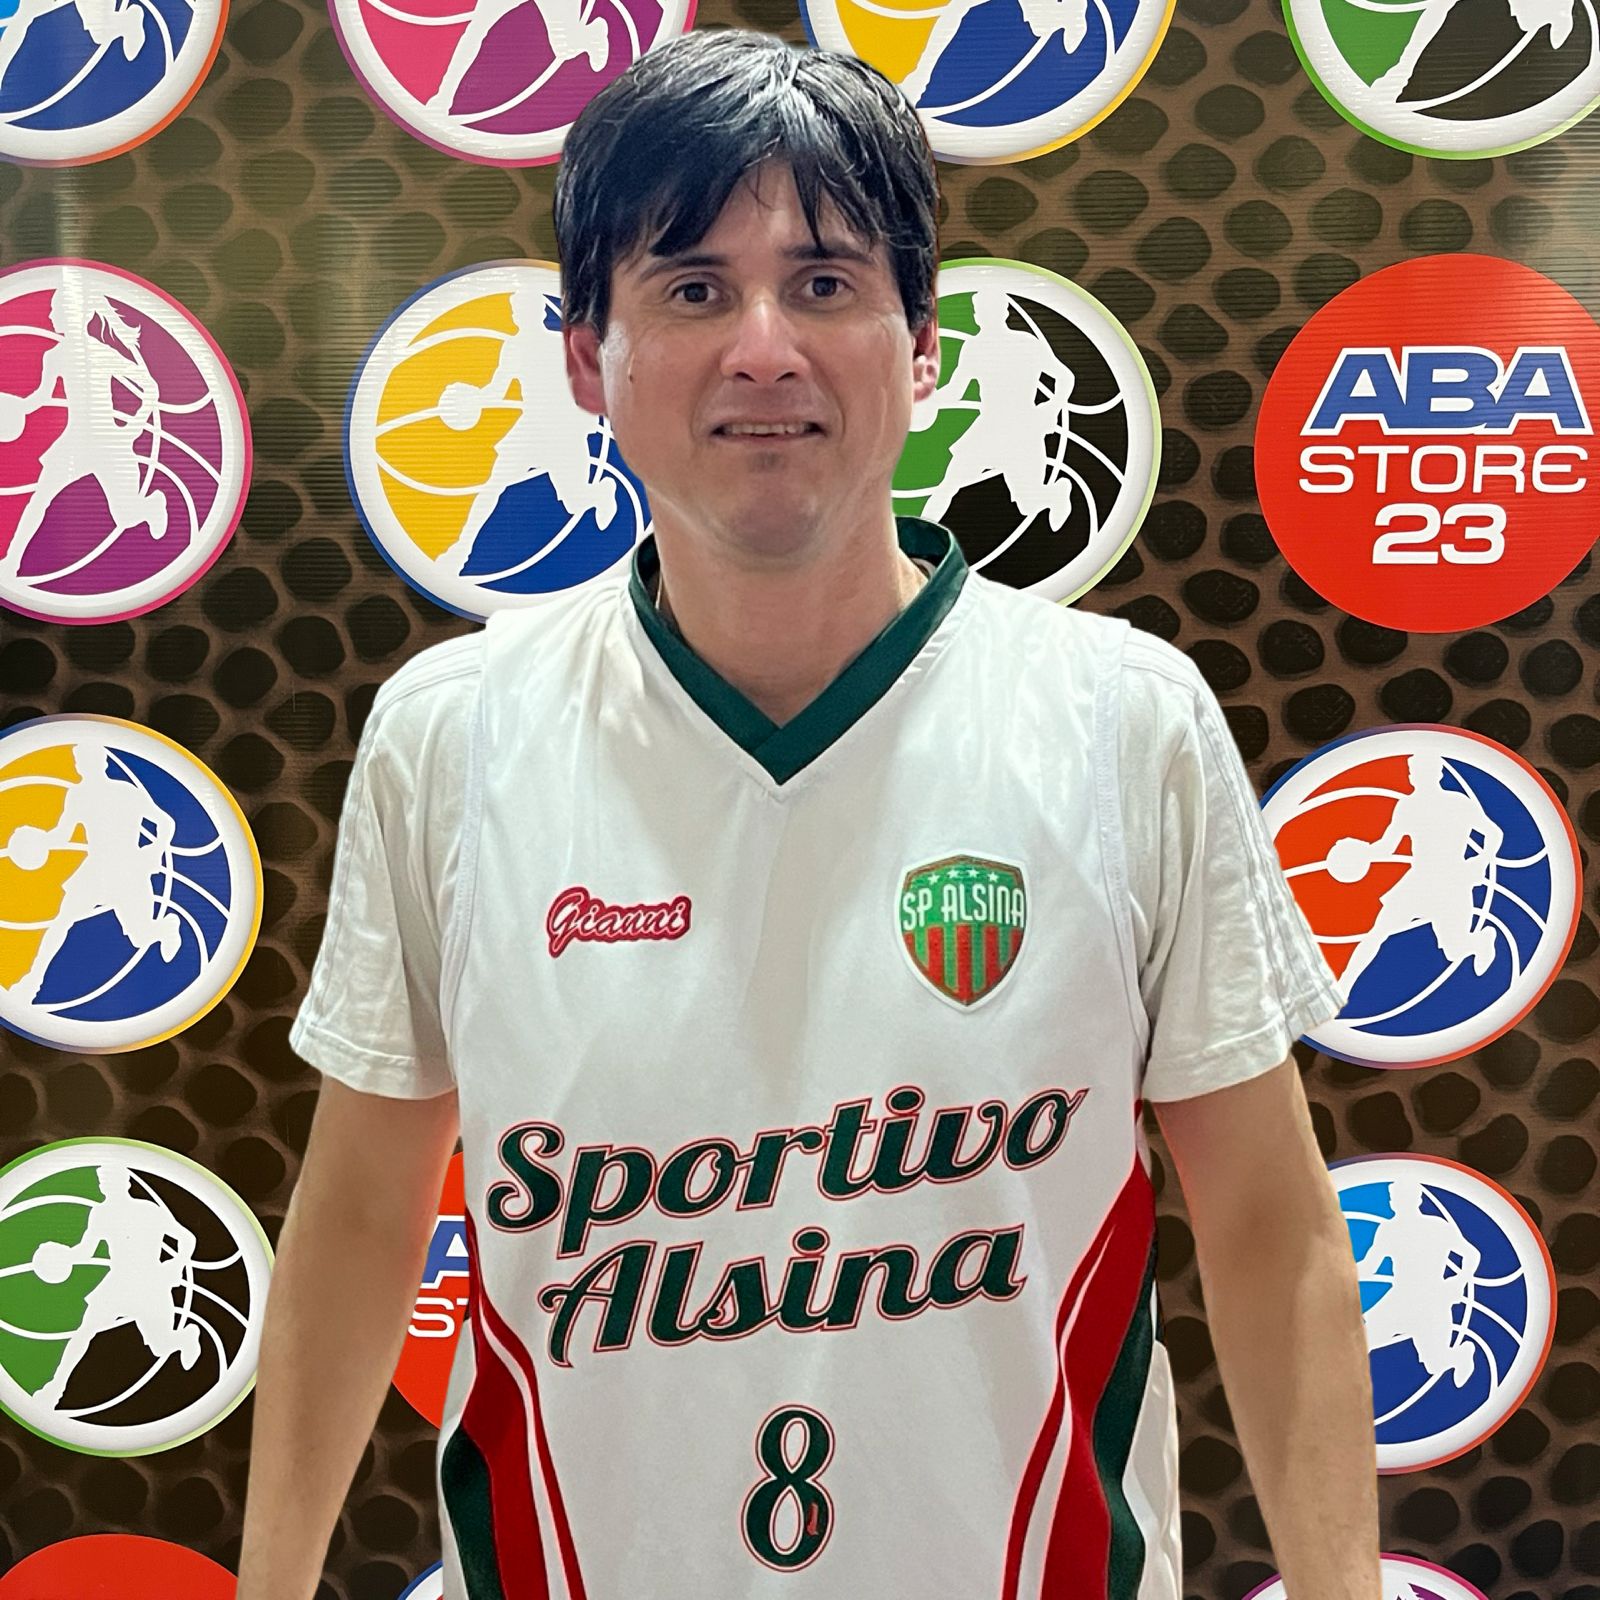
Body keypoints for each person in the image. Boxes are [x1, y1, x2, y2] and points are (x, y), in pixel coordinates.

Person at [239, 30, 1379, 1600]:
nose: (764, 348)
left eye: (825, 283)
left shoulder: (1124, 722)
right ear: (587, 357)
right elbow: (365, 1209)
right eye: (693, 289)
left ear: (923, 347)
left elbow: (1268, 1226)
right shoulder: (455, 734)